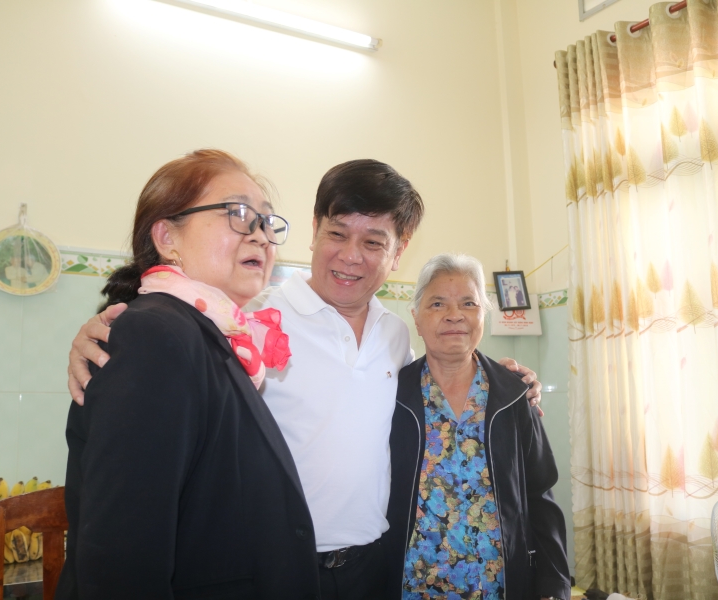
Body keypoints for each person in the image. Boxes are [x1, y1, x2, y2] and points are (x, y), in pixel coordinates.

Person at [66, 159, 543, 599]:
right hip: (276, 566)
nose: (351, 256)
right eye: (337, 233)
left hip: (375, 563)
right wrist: (103, 333)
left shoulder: (396, 335)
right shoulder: (250, 319)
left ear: (398, 251)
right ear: (314, 230)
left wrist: (506, 381)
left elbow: (433, 392)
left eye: (373, 243)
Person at [56, 149, 319, 599]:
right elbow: (122, 553)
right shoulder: (155, 334)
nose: (261, 235)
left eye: (266, 221)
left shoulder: (211, 335)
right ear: (167, 237)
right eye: (238, 213)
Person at [385, 253, 570, 600]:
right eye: (437, 303)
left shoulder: (513, 395)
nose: (454, 314)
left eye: (469, 303)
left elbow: (541, 495)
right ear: (416, 318)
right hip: (413, 586)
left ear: (483, 314)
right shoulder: (392, 396)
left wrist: (554, 584)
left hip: (499, 587)